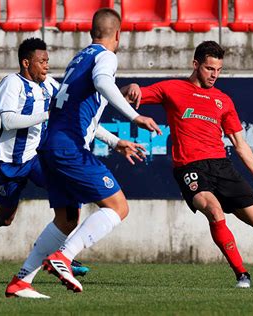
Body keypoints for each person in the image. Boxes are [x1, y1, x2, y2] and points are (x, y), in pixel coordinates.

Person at [0, 37, 146, 298]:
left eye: (48, 61)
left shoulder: (52, 86)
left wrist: (115, 141)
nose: (47, 66)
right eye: (41, 61)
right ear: (26, 63)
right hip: (13, 161)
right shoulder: (12, 83)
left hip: (42, 158)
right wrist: (46, 115)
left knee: (69, 213)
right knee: (6, 217)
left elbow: (80, 119)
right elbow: (8, 120)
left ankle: (60, 256)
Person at [121, 41, 253, 288]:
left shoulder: (223, 101)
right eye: (209, 69)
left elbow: (240, 144)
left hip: (221, 166)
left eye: (218, 70)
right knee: (213, 211)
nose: (214, 75)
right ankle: (242, 274)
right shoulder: (172, 88)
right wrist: (129, 87)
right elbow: (130, 95)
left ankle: (223, 206)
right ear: (195, 65)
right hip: (190, 167)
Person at [37, 8, 162, 294]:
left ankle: (22, 280)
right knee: (118, 207)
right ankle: (63, 257)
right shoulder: (107, 56)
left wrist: (114, 141)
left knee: (67, 219)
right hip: (70, 148)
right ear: (118, 34)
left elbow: (92, 99)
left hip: (52, 145)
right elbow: (103, 82)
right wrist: (134, 117)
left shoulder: (79, 59)